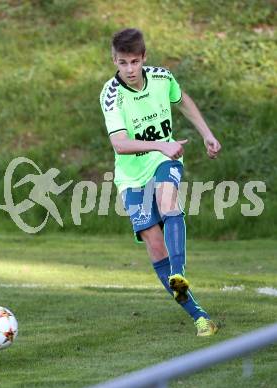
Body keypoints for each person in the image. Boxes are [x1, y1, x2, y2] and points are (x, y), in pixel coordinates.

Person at [99, 28, 221, 336]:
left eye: (134, 62)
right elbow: (120, 144)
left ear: (144, 58)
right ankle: (199, 317)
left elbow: (183, 101)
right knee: (155, 246)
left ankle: (178, 273)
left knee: (168, 203)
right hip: (131, 175)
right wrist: (159, 144)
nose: (129, 69)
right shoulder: (111, 95)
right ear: (114, 60)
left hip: (166, 158)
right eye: (122, 62)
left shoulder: (163, 79)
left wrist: (206, 133)